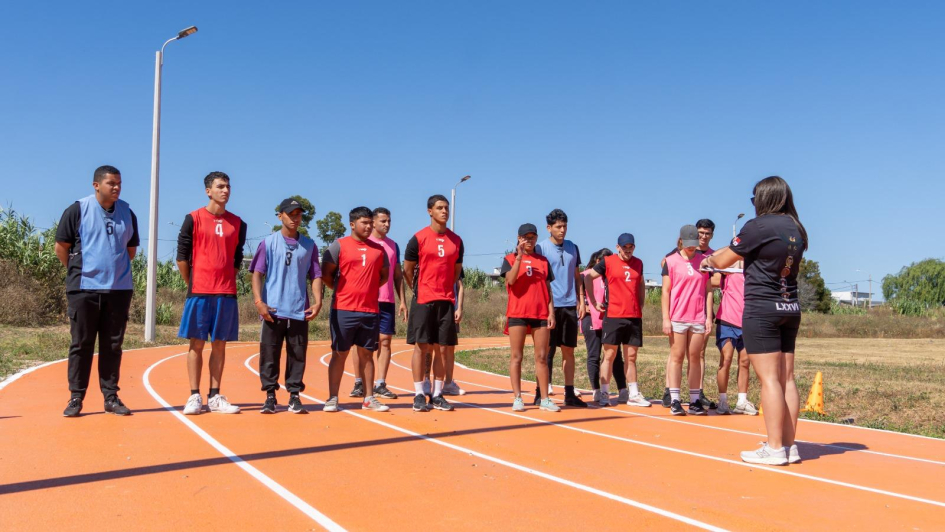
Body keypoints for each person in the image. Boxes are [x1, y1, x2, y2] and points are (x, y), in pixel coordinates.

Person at [702, 176, 807, 465]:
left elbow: (723, 260)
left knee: (769, 379)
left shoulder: (757, 226)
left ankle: (774, 449)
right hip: (790, 307)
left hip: (761, 308)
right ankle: (789, 444)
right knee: (787, 378)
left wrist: (708, 261)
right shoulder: (796, 228)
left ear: (764, 199)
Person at [55, 165, 139, 417]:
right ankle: (76, 397)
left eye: (119, 183)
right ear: (96, 185)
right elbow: (62, 247)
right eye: (111, 183)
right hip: (84, 289)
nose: (116, 188)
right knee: (81, 344)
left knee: (112, 346)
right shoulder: (78, 209)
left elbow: (131, 250)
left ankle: (110, 396)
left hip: (118, 289)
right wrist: (80, 272)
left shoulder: (127, 212)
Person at [177, 171, 247, 415]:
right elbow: (181, 257)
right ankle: (194, 396)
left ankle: (215, 396)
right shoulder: (193, 218)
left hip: (226, 293)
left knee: (219, 345)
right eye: (220, 186)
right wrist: (194, 282)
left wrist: (225, 278)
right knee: (196, 344)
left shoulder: (238, 223)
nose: (225, 190)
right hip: (199, 292)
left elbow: (237, 259)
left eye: (228, 186)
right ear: (208, 191)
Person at [249, 198, 323, 414]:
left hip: (299, 310)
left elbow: (316, 275)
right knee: (269, 355)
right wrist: (258, 302)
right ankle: (270, 396)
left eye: (298, 214)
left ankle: (294, 396)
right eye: (290, 214)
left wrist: (318, 302)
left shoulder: (309, 245)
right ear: (280, 216)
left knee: (297, 354)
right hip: (273, 310)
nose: (295, 218)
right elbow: (257, 273)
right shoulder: (268, 243)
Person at [321, 207, 390, 413]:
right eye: (364, 223)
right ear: (352, 224)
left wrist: (366, 290)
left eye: (370, 223)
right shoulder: (339, 246)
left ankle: (369, 398)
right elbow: (326, 274)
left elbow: (383, 276)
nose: (369, 226)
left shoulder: (379, 250)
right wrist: (343, 290)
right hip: (343, 309)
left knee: (367, 355)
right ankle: (332, 397)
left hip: (370, 310)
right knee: (339, 353)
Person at [403, 194, 463, 412]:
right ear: (430, 211)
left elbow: (456, 271)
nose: (444, 211)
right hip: (423, 299)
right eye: (440, 208)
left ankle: (437, 394)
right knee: (421, 347)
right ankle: (419, 393)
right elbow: (407, 270)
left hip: (445, 300)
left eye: (446, 207)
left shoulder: (456, 240)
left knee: (442, 348)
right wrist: (419, 289)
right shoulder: (418, 239)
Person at [585, 234, 650, 408]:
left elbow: (641, 283)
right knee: (609, 355)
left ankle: (633, 393)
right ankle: (604, 393)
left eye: (631, 247)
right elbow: (587, 277)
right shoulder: (608, 262)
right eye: (624, 247)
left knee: (631, 357)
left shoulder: (639, 263)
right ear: (618, 247)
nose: (628, 250)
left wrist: (641, 303)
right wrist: (593, 301)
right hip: (613, 315)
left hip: (633, 316)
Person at [348, 207, 406, 400]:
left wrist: (402, 301)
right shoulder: (365, 243)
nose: (387, 225)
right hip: (366, 301)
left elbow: (398, 276)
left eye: (389, 221)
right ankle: (359, 382)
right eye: (383, 221)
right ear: (373, 222)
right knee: (361, 344)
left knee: (386, 342)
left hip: (387, 301)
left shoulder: (393, 246)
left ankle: (380, 383)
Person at [501, 224, 559, 412]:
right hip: (518, 312)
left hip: (540, 313)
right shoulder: (509, 259)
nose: (529, 240)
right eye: (526, 237)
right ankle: (517, 397)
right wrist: (518, 257)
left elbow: (548, 289)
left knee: (542, 357)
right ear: (519, 239)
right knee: (517, 356)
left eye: (533, 237)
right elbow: (510, 280)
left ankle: (544, 399)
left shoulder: (543, 261)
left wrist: (551, 312)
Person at [661, 219, 717, 409]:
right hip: (677, 318)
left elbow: (709, 290)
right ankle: (675, 398)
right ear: (681, 242)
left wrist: (708, 317)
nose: (693, 248)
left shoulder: (703, 262)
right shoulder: (671, 261)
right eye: (689, 245)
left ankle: (694, 400)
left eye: (695, 245)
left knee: (695, 358)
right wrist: (666, 319)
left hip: (698, 318)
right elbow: (666, 292)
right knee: (677, 357)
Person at [534, 209, 586, 407]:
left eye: (565, 226)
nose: (562, 230)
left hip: (570, 306)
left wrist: (581, 300)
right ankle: (541, 392)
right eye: (558, 227)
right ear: (549, 228)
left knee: (569, 351)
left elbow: (577, 276)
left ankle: (569, 393)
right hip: (550, 307)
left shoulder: (573, 247)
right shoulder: (541, 248)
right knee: (547, 352)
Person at [711, 262, 758, 415]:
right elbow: (708, 278)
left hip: (747, 322)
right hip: (727, 321)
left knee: (745, 362)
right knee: (726, 359)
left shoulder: (754, 270)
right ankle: (723, 400)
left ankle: (742, 401)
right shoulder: (728, 270)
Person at [581, 249, 627, 405]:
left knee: (615, 356)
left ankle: (623, 389)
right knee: (594, 355)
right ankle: (596, 390)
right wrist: (584, 306)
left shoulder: (612, 275)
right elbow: (575, 294)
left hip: (610, 319)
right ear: (597, 260)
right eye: (603, 260)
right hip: (591, 320)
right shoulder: (585, 275)